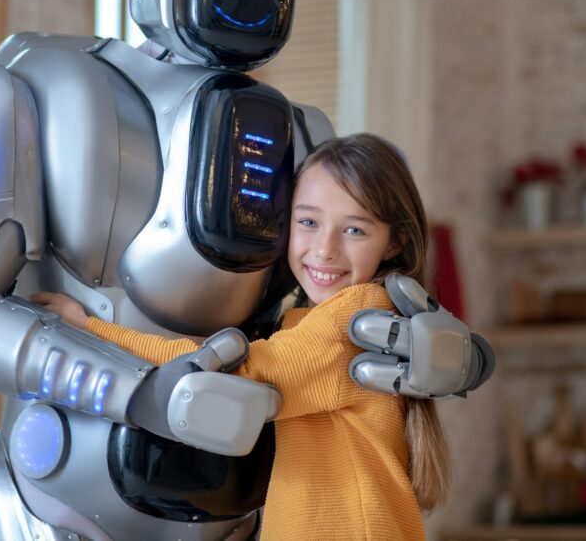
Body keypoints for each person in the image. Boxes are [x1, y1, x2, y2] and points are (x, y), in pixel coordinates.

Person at [33, 133, 450, 540]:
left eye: (354, 230)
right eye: (308, 222)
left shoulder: (356, 314)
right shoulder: (325, 317)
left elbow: (228, 370)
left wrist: (92, 328)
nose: (324, 250)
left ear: (396, 241)